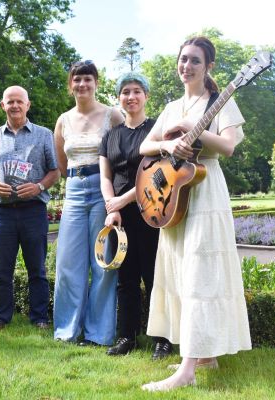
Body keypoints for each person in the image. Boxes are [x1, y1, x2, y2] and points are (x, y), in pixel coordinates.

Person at [139, 37, 251, 391]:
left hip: (205, 193)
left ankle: (186, 372)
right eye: (183, 59)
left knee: (200, 273)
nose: (186, 66)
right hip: (172, 194)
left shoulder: (221, 102)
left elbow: (230, 146)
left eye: (195, 61)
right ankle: (204, 356)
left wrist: (195, 134)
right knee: (178, 272)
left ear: (209, 67)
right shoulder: (171, 106)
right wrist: (168, 144)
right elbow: (145, 146)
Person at [99, 72, 173, 358]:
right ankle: (126, 337)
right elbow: (106, 176)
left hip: (152, 210)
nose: (130, 97)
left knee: (155, 277)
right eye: (125, 92)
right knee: (126, 279)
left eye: (136, 91)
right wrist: (112, 206)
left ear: (146, 96)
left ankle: (162, 339)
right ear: (118, 98)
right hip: (120, 216)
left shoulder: (157, 132)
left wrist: (121, 201)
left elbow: (158, 173)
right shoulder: (110, 136)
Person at [0, 85, 60, 330]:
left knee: (37, 268)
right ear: (3, 105)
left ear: (27, 104)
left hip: (33, 210)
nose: (14, 105)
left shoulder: (44, 134)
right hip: (2, 211)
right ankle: (0, 317)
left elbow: (55, 171)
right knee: (2, 269)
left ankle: (40, 317)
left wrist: (39, 187)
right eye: (9, 101)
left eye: (19, 101)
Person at [53, 61, 124, 346]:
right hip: (73, 191)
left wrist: (115, 199)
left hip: (101, 190)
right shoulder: (63, 120)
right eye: (77, 79)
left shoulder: (112, 115)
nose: (82, 84)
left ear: (96, 83)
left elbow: (120, 156)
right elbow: (61, 161)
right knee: (68, 263)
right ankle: (68, 330)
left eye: (88, 79)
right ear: (71, 84)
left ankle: (99, 332)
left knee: (103, 261)